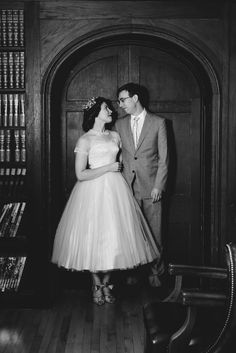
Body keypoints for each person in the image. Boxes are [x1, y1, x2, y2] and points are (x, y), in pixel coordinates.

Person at [51, 96, 160, 305]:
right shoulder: (85, 140)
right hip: (90, 192)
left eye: (109, 107)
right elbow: (81, 174)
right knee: (91, 240)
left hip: (115, 191)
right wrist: (108, 168)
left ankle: (107, 284)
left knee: (115, 239)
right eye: (105, 108)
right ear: (95, 113)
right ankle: (96, 284)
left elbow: (122, 163)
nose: (110, 110)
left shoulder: (115, 136)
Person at [115, 83, 169, 287]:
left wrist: (159, 186)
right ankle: (132, 272)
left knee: (155, 233)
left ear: (135, 98)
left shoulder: (158, 123)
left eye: (123, 100)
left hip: (151, 188)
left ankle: (156, 272)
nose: (120, 105)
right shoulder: (119, 124)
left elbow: (164, 159)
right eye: (119, 101)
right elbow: (118, 153)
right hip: (127, 187)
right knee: (131, 232)